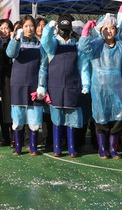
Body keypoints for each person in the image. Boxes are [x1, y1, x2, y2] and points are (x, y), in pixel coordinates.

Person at [80, 16, 122, 159]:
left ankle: (112, 148)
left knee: (117, 120)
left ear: (116, 30)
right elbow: (84, 48)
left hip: (117, 88)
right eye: (105, 28)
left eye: (112, 28)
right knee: (101, 119)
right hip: (99, 88)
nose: (109, 31)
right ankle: (102, 148)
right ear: (100, 30)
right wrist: (86, 31)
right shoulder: (96, 45)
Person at [41, 14, 90, 157]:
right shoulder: (53, 44)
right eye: (62, 30)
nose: (64, 33)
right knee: (57, 118)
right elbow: (45, 42)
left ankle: (71, 147)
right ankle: (57, 147)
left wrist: (86, 83)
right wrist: (47, 30)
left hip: (73, 86)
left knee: (72, 118)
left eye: (67, 30)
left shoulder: (77, 45)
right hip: (55, 86)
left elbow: (83, 66)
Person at [6, 16, 48, 155]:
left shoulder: (39, 45)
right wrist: (16, 39)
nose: (29, 29)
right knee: (18, 116)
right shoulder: (17, 42)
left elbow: (43, 66)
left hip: (34, 84)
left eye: (31, 26)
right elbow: (10, 53)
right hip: (18, 83)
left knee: (34, 115)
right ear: (21, 28)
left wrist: (41, 85)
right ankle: (18, 146)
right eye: (26, 26)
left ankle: (33, 145)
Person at [0, 19, 14, 148]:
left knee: (11, 110)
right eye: (1, 28)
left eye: (6, 28)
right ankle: (5, 137)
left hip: (12, 80)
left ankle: (14, 137)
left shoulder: (14, 44)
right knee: (1, 110)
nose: (3, 30)